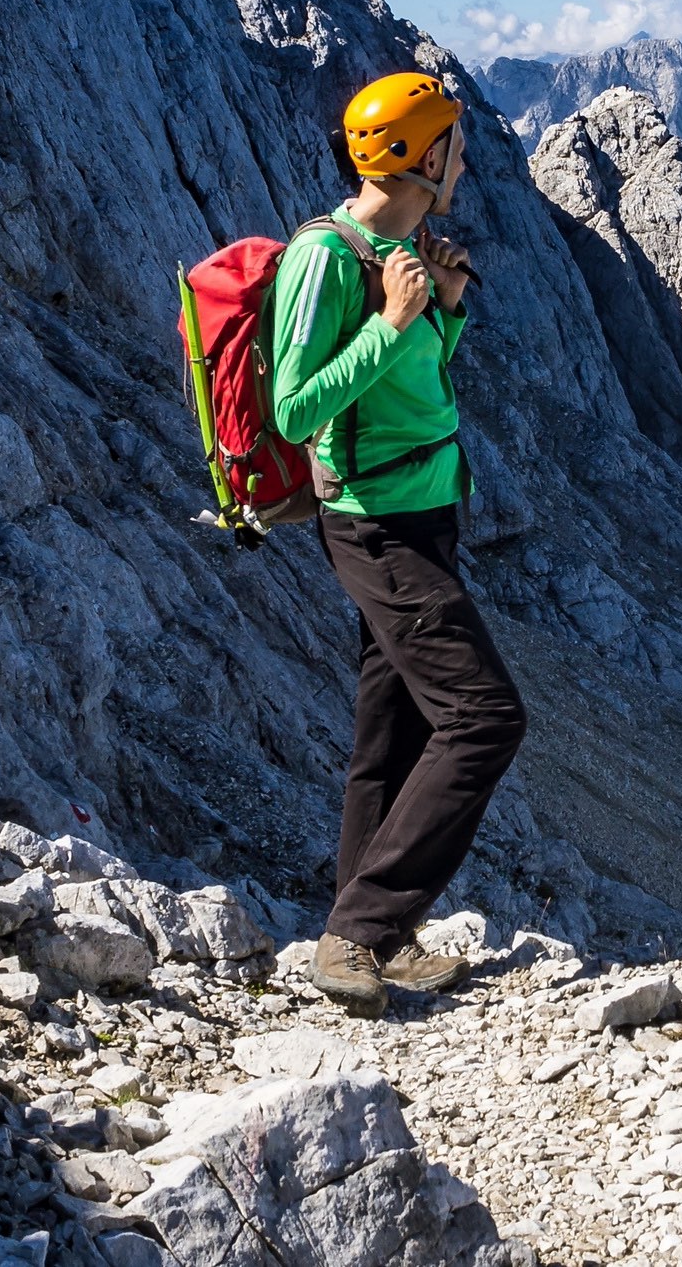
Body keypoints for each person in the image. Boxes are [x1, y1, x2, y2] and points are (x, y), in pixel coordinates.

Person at [270, 71, 525, 1017]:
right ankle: (361, 933)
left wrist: (442, 308)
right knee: (486, 717)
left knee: (396, 731)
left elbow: (411, 382)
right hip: (374, 522)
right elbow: (296, 406)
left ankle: (371, 937)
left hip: (422, 510)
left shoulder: (408, 248)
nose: (464, 159)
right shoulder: (329, 260)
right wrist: (390, 321)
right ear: (421, 156)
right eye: (454, 144)